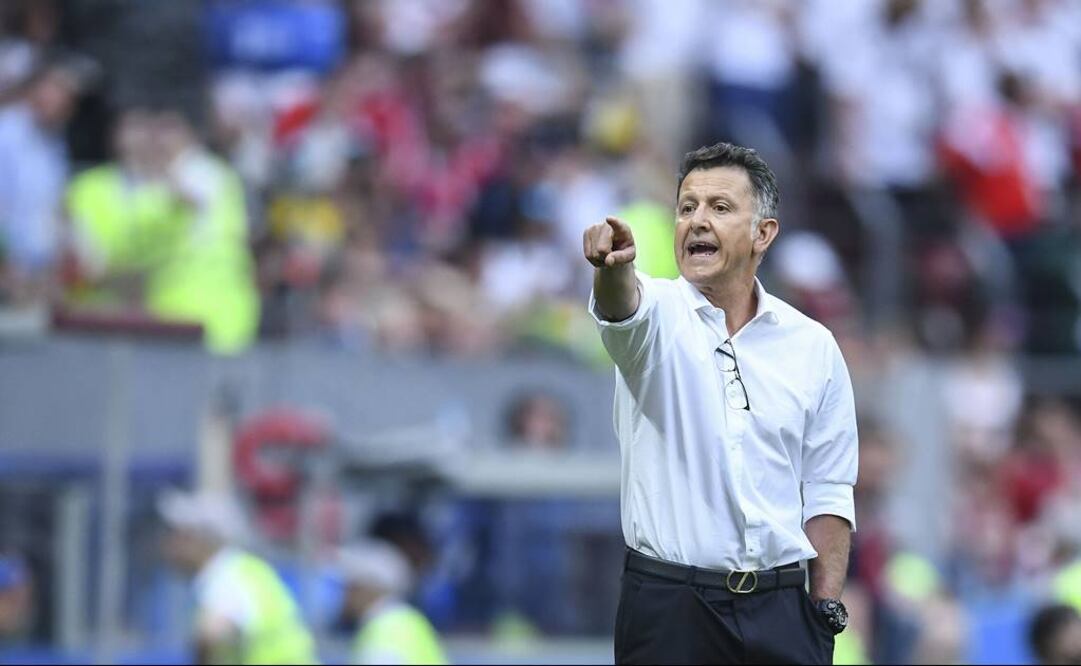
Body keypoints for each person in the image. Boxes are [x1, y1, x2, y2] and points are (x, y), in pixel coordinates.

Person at [583, 141, 858, 664]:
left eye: (720, 207)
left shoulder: (813, 346)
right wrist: (611, 267)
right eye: (687, 207)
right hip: (671, 611)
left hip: (783, 611)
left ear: (764, 233)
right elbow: (621, 309)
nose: (697, 221)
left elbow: (828, 488)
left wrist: (823, 611)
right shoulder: (657, 311)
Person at [158, 490, 318, 665]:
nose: (169, 543)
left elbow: (211, 633)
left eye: (179, 535)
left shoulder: (224, 576)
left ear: (201, 540)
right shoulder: (246, 570)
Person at [336, 539, 448, 665]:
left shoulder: (383, 632)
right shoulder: (409, 621)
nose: (345, 594)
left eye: (351, 586)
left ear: (370, 587)